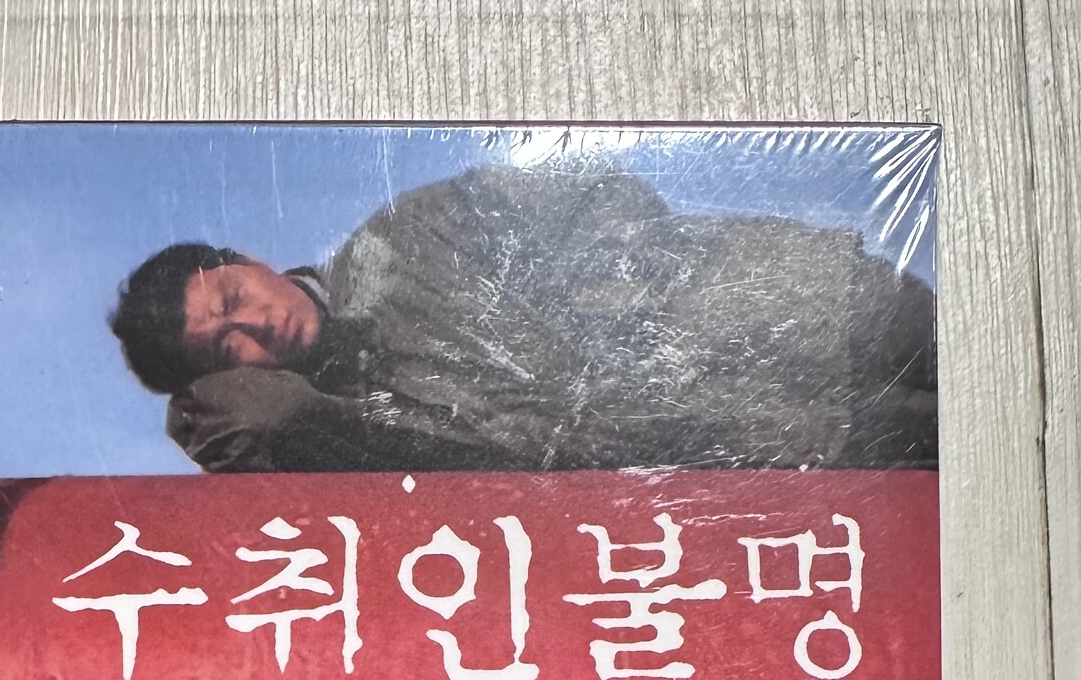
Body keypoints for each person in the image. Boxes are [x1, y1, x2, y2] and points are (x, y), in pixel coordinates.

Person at [109, 165, 937, 476]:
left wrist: (612, 307)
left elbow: (591, 189)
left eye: (233, 299)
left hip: (807, 313)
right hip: (783, 441)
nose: (257, 326)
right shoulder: (353, 429)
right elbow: (256, 423)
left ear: (246, 259)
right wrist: (200, 404)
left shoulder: (407, 232)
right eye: (226, 348)